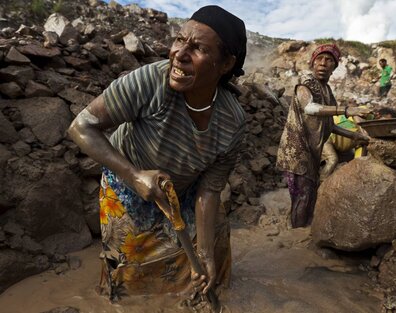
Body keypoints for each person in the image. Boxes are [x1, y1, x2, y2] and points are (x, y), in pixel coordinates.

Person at [67, 5, 247, 302]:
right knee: (131, 269)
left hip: (186, 191)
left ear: (225, 64)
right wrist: (134, 175)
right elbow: (81, 126)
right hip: (126, 185)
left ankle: (196, 300)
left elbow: (211, 188)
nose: (179, 54)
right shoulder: (150, 82)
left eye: (198, 48)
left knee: (212, 250)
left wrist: (204, 254)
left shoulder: (232, 120)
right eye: (180, 40)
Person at [276, 44, 370, 228]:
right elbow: (310, 108)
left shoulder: (327, 92)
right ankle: (296, 235)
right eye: (319, 59)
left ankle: (299, 226)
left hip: (312, 151)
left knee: (308, 194)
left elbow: (330, 124)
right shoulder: (306, 83)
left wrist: (353, 136)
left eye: (329, 60)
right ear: (312, 63)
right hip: (296, 148)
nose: (323, 63)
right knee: (303, 195)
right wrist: (346, 110)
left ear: (334, 67)